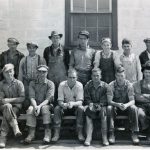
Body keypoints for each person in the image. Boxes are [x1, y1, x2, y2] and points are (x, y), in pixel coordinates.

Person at [107, 66, 139, 145]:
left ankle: (134, 133)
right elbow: (109, 101)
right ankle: (111, 133)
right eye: (118, 75)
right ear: (115, 75)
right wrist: (117, 104)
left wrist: (126, 105)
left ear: (125, 76)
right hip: (116, 107)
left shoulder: (129, 85)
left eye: (122, 76)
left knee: (134, 108)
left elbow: (132, 101)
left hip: (126, 107)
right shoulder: (111, 85)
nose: (120, 78)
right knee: (109, 108)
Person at [52, 69, 85, 142]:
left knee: (81, 108)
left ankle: (80, 133)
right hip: (65, 107)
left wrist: (73, 104)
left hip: (75, 107)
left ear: (77, 78)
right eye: (70, 77)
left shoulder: (79, 85)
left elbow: (80, 102)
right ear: (66, 77)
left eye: (74, 77)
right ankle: (56, 134)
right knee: (57, 109)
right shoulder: (62, 85)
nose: (72, 79)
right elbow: (60, 101)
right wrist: (64, 105)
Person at [24, 65, 54, 144]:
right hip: (35, 104)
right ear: (37, 72)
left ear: (47, 73)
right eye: (40, 72)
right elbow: (32, 97)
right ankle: (31, 134)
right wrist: (35, 106)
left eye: (44, 72)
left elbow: (48, 99)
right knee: (30, 109)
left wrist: (39, 106)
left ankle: (47, 133)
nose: (41, 74)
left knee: (45, 109)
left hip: (46, 105)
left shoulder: (50, 84)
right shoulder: (32, 83)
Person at [84, 68, 112, 146]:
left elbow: (106, 99)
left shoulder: (106, 86)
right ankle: (88, 137)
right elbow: (86, 98)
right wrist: (90, 104)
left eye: (97, 76)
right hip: (92, 105)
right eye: (94, 76)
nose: (96, 77)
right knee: (88, 111)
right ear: (91, 76)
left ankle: (104, 137)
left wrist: (101, 105)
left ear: (101, 76)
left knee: (103, 112)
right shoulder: (88, 86)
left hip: (102, 106)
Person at [0, 64, 25, 148]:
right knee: (7, 106)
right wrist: (6, 102)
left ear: (14, 72)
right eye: (6, 72)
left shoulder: (19, 83)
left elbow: (22, 98)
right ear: (3, 74)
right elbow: (1, 100)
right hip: (3, 107)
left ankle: (3, 137)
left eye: (10, 71)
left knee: (7, 110)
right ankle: (15, 127)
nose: (9, 74)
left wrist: (9, 100)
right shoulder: (1, 84)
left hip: (17, 108)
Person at [43, 31, 70, 105]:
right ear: (51, 39)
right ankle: (52, 108)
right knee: (52, 92)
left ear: (60, 39)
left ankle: (62, 108)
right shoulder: (47, 50)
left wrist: (67, 74)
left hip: (62, 75)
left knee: (62, 91)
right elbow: (45, 63)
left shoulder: (65, 49)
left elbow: (68, 63)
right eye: (53, 38)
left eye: (57, 38)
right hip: (51, 75)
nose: (55, 39)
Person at [18, 42, 46, 111]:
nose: (31, 49)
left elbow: (45, 72)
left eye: (33, 48)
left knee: (37, 98)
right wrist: (20, 85)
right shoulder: (24, 60)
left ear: (36, 49)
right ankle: (27, 114)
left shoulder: (41, 59)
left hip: (37, 83)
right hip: (27, 83)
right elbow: (20, 74)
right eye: (30, 48)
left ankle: (37, 111)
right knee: (27, 99)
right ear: (27, 49)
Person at [133, 62, 150, 133]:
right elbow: (137, 97)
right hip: (140, 106)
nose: (148, 74)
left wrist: (144, 95)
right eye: (146, 72)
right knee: (140, 114)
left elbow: (140, 95)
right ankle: (146, 130)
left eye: (149, 72)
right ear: (143, 72)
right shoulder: (137, 84)